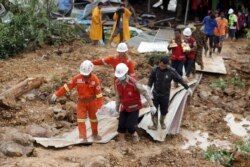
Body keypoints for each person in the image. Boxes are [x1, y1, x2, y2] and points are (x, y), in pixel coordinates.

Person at [50, 60, 103, 142]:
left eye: (86, 74)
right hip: (81, 102)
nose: (84, 76)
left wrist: (99, 106)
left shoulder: (95, 79)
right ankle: (83, 137)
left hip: (92, 102)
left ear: (91, 71)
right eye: (83, 74)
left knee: (93, 118)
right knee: (81, 119)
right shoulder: (77, 78)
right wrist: (57, 94)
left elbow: (99, 94)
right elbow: (67, 87)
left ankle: (95, 134)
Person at [114, 63, 156, 143]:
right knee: (121, 125)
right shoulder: (117, 83)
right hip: (124, 107)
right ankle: (122, 141)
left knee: (130, 126)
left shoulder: (133, 83)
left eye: (121, 75)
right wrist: (117, 107)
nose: (119, 77)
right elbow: (118, 96)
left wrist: (152, 105)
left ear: (126, 73)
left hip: (134, 107)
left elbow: (145, 93)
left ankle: (134, 134)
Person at [147, 57, 193, 130]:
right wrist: (149, 92)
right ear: (159, 63)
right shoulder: (155, 70)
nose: (162, 67)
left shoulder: (171, 71)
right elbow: (150, 81)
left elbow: (180, 79)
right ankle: (155, 125)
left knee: (164, 111)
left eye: (164, 66)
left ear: (167, 65)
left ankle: (162, 122)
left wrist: (187, 88)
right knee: (153, 110)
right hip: (155, 94)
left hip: (165, 95)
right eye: (161, 65)